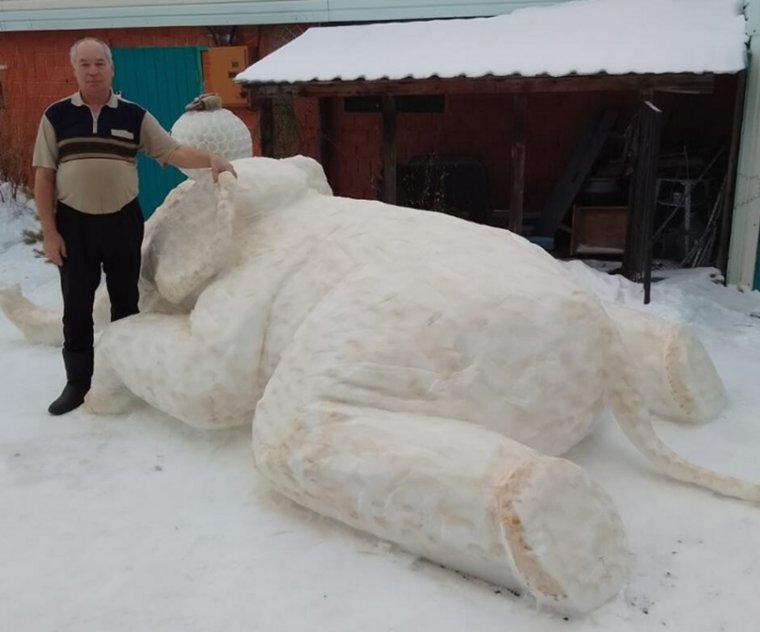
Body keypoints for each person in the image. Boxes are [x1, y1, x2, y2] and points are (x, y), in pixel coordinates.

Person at [32, 37, 237, 416]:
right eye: (85, 64)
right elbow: (44, 177)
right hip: (73, 225)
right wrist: (50, 231)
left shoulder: (133, 116)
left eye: (100, 64)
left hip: (122, 222)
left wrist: (210, 157)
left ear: (111, 68)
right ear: (74, 70)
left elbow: (171, 150)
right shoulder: (56, 117)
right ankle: (78, 383)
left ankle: (124, 376)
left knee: (126, 302)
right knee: (76, 307)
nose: (93, 71)